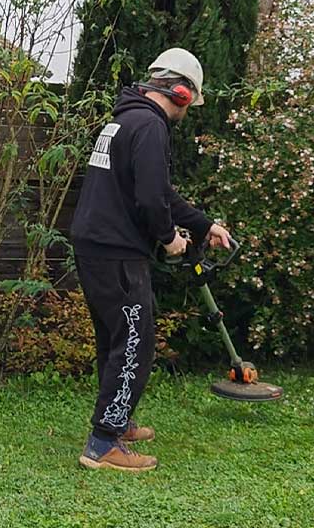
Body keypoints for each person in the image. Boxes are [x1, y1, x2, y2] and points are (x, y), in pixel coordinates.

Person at [71, 48, 232, 473]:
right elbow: (150, 201)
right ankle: (103, 442)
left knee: (115, 340)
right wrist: (167, 239)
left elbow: (157, 193)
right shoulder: (150, 126)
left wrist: (203, 224)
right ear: (180, 92)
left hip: (96, 246)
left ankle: (117, 423)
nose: (186, 111)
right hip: (118, 252)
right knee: (135, 344)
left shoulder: (124, 120)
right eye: (189, 102)